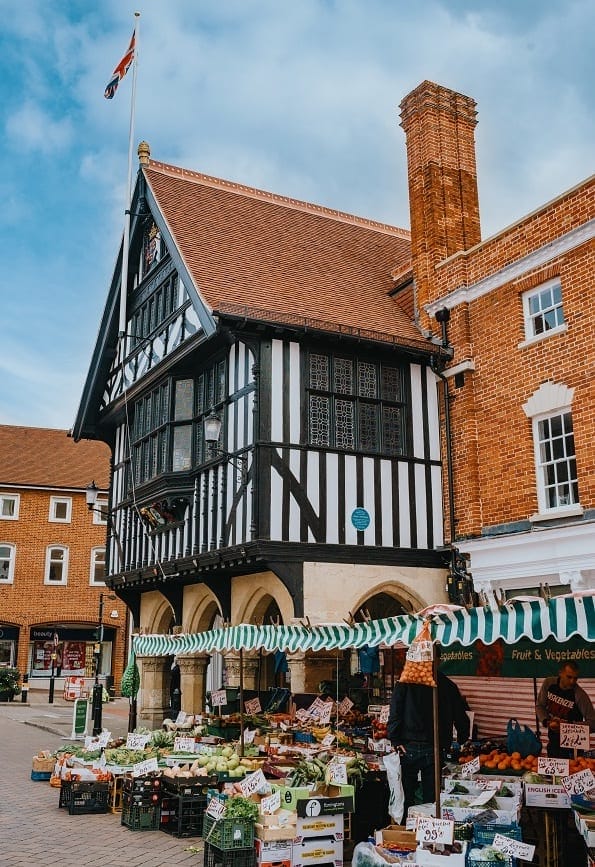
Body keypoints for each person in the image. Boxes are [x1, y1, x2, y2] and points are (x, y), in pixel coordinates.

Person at [387, 669, 470, 816]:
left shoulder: (406, 681)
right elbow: (460, 714)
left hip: (409, 745)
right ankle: (428, 827)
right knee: (431, 798)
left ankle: (408, 828)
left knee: (407, 793)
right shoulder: (446, 683)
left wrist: (395, 738)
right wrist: (463, 737)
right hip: (435, 746)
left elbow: (395, 709)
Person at [536, 661, 595, 758]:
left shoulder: (580, 695)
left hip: (573, 748)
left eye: (575, 678)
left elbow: (593, 723)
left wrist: (568, 726)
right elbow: (540, 706)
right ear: (560, 673)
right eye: (569, 677)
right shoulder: (549, 683)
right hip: (553, 743)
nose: (572, 681)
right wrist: (547, 721)